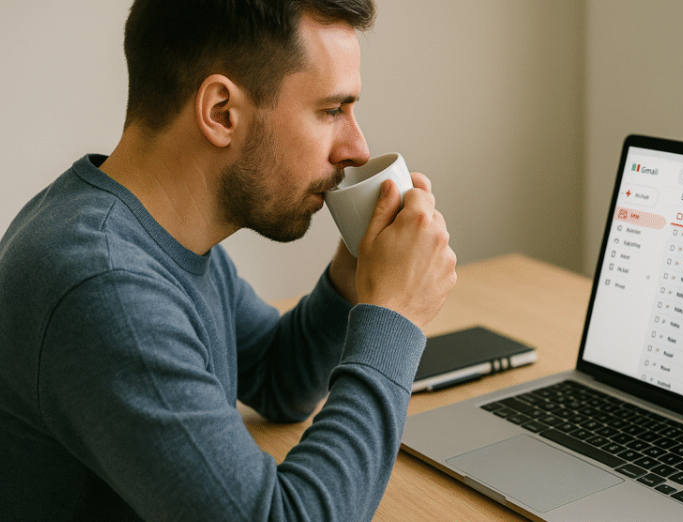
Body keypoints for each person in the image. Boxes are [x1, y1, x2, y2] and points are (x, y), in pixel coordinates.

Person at [0, 0, 457, 520]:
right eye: (332, 110)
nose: (356, 148)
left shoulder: (152, 232)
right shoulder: (104, 285)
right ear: (221, 112)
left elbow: (276, 374)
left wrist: (354, 279)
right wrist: (394, 320)